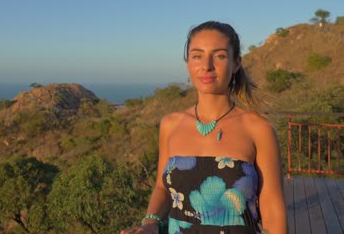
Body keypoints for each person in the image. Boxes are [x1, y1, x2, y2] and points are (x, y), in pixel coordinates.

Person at [121, 21, 287, 234]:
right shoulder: (170, 125)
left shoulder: (258, 128)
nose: (206, 66)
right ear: (188, 62)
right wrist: (150, 223)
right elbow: (162, 187)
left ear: (236, 63)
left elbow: (273, 211)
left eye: (219, 56)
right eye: (197, 55)